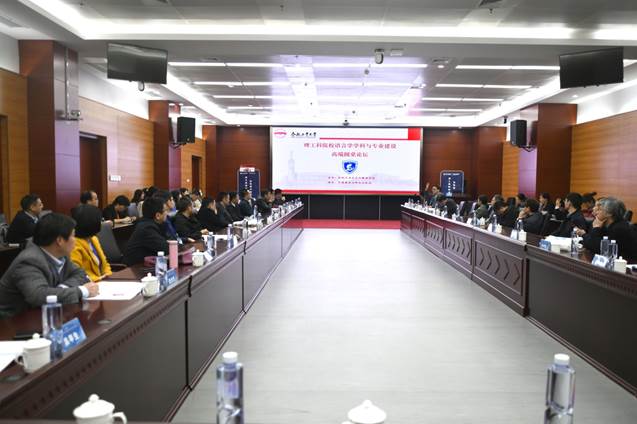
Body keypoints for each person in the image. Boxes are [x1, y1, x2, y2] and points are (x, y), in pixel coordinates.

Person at [0, 213, 99, 318]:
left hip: (44, 314)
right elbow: (38, 296)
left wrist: (62, 288)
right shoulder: (29, 261)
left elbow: (81, 274)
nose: (75, 240)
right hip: (12, 320)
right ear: (60, 241)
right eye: (73, 236)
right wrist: (82, 291)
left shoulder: (61, 255)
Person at [70, 205, 112, 282]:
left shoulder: (94, 239)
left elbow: (105, 264)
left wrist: (108, 275)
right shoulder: (73, 245)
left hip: (103, 282)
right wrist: (100, 279)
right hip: (89, 284)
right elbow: (76, 275)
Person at [123, 197, 169, 266]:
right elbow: (166, 248)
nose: (167, 213)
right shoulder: (147, 228)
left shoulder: (148, 223)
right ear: (158, 215)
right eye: (166, 210)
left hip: (144, 264)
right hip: (134, 268)